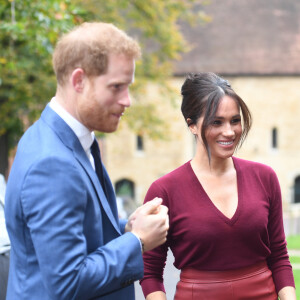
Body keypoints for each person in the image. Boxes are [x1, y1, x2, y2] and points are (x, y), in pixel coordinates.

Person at [4, 22, 169, 300]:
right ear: (79, 80)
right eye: (116, 87)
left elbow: (88, 235)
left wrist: (127, 227)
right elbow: (67, 283)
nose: (127, 100)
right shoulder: (51, 164)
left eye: (128, 87)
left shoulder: (70, 140)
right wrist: (137, 241)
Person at [140, 72, 296, 300]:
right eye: (217, 122)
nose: (229, 132)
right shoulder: (164, 190)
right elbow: (150, 270)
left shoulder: (265, 177)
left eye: (235, 120)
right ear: (192, 125)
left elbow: (279, 257)